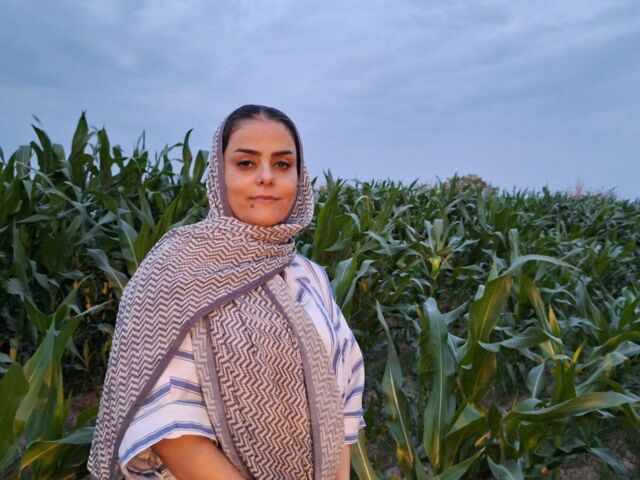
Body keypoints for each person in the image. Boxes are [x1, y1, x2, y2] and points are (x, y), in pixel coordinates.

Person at [88, 105, 366, 479]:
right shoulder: (174, 270)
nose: (266, 177)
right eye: (246, 163)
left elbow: (344, 397)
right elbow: (167, 423)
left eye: (283, 164)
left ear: (300, 177)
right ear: (218, 174)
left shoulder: (310, 277)